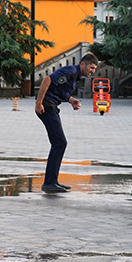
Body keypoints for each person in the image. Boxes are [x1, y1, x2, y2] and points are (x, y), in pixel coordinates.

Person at [35, 53, 99, 193]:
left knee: (59, 143)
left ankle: (52, 181)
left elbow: (60, 91)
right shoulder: (70, 71)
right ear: (83, 64)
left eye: (94, 69)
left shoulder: (76, 76)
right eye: (91, 67)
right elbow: (47, 80)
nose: (93, 71)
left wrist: (72, 101)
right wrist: (38, 103)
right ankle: (49, 183)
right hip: (47, 106)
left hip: (52, 107)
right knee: (60, 143)